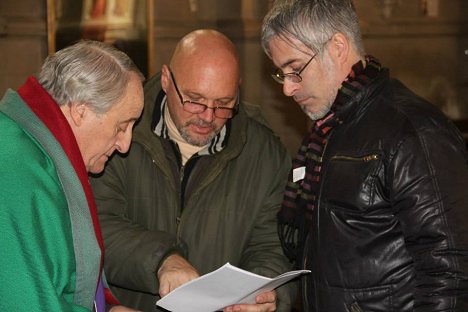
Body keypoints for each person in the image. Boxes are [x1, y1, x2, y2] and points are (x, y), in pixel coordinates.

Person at [261, 0, 468, 311]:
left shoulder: (413, 132)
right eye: (282, 74)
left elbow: (450, 273)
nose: (287, 89)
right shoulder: (329, 131)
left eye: (295, 69)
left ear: (338, 47)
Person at [89, 29, 296, 312]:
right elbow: (96, 227)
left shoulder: (264, 153)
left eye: (224, 104)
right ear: (166, 80)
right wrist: (162, 260)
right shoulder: (121, 134)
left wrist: (267, 295)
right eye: (195, 100)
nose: (208, 117)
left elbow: (273, 245)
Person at [0, 40, 144, 312]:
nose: (125, 144)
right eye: (122, 126)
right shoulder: (16, 174)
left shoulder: (44, 153)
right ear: (80, 111)